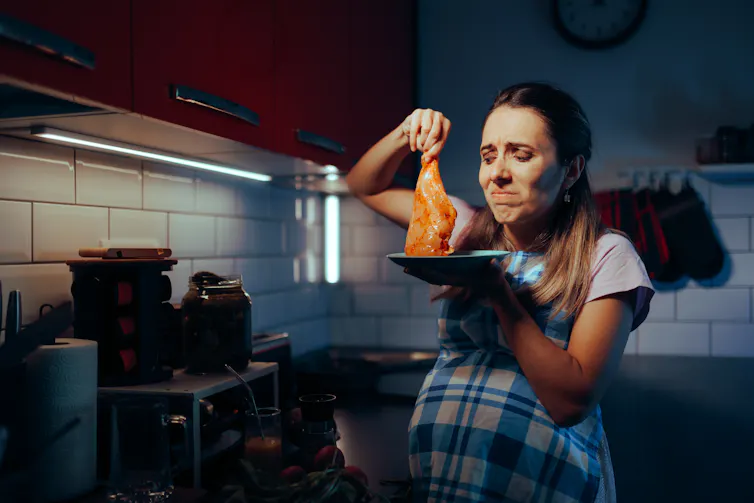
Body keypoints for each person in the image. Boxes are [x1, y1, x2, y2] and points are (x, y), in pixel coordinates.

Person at [346, 82, 654, 503]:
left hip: (542, 486)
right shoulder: (465, 228)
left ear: (572, 169)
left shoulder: (606, 255)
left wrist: (497, 290)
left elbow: (571, 401)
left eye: (520, 154)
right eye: (488, 155)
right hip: (444, 480)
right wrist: (407, 132)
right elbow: (366, 186)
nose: (497, 173)